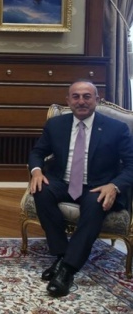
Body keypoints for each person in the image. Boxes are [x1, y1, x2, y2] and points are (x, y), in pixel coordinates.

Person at [28, 80, 133, 297]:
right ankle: (62, 254)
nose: (81, 101)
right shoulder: (56, 125)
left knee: (96, 202)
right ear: (68, 101)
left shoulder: (116, 128)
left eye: (87, 96)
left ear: (97, 100)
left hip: (99, 185)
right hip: (62, 181)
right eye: (76, 96)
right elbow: (37, 152)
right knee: (41, 190)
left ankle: (67, 269)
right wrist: (36, 172)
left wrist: (114, 186)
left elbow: (131, 164)